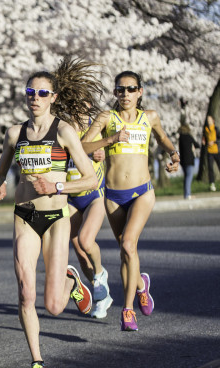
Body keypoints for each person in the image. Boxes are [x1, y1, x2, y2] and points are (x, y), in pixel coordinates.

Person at [0, 57, 100, 368]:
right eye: (31, 92)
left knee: (54, 306)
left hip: (56, 216)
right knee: (26, 292)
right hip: (25, 215)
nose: (36, 98)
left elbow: (90, 181)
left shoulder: (65, 131)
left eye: (43, 93)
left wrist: (56, 186)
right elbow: (1, 170)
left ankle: (70, 282)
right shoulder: (15, 133)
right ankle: (37, 364)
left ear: (53, 97)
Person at [82, 70, 180, 332]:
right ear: (115, 93)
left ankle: (127, 311)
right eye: (120, 89)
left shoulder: (149, 117)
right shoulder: (106, 118)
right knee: (126, 253)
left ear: (140, 92)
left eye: (131, 88)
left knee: (128, 244)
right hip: (113, 194)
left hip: (142, 192)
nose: (125, 94)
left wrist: (174, 154)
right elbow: (81, 147)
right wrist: (110, 139)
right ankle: (140, 285)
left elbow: (162, 137)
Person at [68, 114, 112, 319]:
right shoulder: (59, 130)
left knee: (86, 240)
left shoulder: (94, 129)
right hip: (70, 198)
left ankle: (100, 274)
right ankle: (101, 295)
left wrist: (100, 151)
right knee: (79, 250)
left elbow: (99, 147)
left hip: (94, 195)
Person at [178, 123, 200, 199]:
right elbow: (197, 145)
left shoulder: (180, 138)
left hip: (183, 160)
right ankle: (187, 194)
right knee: (189, 177)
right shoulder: (189, 137)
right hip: (189, 159)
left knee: (186, 177)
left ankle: (186, 193)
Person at [203, 115, 219, 191]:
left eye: (209, 120)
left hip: (216, 151)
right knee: (210, 168)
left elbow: (219, 139)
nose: (208, 121)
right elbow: (205, 140)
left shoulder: (216, 129)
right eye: (207, 120)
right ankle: (212, 184)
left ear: (213, 120)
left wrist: (214, 142)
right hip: (209, 151)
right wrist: (204, 142)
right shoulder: (205, 130)